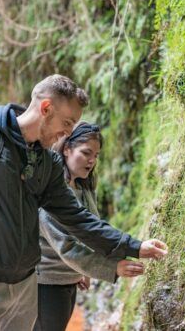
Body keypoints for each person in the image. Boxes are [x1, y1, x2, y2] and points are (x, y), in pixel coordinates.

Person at [0, 74, 168, 331]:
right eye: (66, 122)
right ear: (45, 108)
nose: (67, 132)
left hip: (26, 284)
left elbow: (78, 219)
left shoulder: (47, 163)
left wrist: (134, 246)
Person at [34, 122, 146, 331]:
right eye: (86, 153)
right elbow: (66, 246)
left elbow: (91, 231)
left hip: (67, 280)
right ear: (66, 149)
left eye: (96, 155)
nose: (92, 160)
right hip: (46, 284)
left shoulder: (83, 187)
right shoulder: (50, 191)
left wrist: (84, 271)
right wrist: (113, 268)